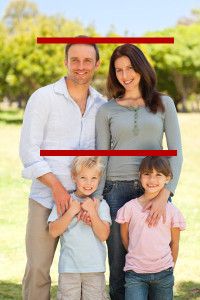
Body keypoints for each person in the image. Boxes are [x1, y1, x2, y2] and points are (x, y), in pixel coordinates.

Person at [19, 39, 106, 299]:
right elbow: (29, 152)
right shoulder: (43, 98)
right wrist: (56, 187)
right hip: (46, 198)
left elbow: (101, 156)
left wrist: (93, 200)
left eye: (87, 61)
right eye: (75, 60)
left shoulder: (102, 105)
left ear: (97, 64)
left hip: (86, 202)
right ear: (65, 62)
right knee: (38, 269)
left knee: (86, 273)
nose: (81, 66)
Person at [95, 44, 183, 300]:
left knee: (155, 259)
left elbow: (175, 152)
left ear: (141, 68)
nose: (125, 75)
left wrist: (165, 194)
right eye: (119, 70)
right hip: (115, 191)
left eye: (130, 67)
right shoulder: (106, 110)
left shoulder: (164, 103)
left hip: (154, 189)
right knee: (119, 265)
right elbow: (102, 156)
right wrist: (97, 199)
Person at [116, 156, 186, 300]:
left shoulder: (173, 212)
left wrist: (170, 267)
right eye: (147, 174)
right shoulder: (129, 209)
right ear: (140, 176)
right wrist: (138, 255)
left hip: (164, 274)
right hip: (135, 274)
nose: (152, 180)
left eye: (158, 175)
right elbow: (124, 238)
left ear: (168, 178)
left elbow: (175, 243)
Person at [48, 156, 111, 300]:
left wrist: (92, 212)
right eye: (83, 177)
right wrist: (71, 211)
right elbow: (53, 231)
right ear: (74, 177)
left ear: (99, 179)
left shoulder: (101, 205)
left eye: (93, 178)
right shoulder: (65, 202)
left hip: (94, 269)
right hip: (69, 269)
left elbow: (103, 235)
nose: (89, 183)